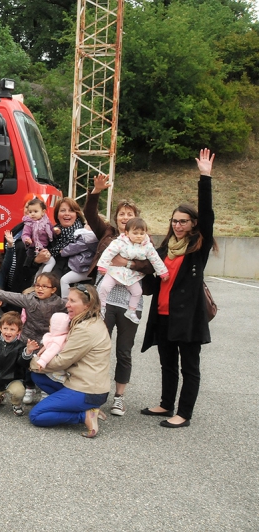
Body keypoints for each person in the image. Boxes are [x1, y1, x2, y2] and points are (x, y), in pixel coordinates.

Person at [140, 148, 216, 429]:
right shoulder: (164, 249)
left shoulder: (197, 248)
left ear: (193, 223)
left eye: (183, 221)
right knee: (167, 363)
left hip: (188, 318)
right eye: (174, 221)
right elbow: (150, 275)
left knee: (190, 367)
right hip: (163, 315)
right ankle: (165, 403)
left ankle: (183, 413)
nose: (178, 225)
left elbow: (207, 216)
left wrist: (204, 177)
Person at [84, 174, 151, 416]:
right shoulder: (108, 233)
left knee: (124, 350)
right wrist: (96, 191)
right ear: (116, 218)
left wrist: (128, 263)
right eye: (121, 214)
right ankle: (94, 394)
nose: (125, 217)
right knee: (98, 347)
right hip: (104, 300)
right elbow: (90, 214)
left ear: (137, 219)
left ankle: (119, 397)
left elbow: (151, 266)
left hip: (130, 303)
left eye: (129, 213)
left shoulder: (146, 241)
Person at [29, 285, 112, 438]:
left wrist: (34, 362)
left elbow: (62, 362)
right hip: (85, 384)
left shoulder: (85, 329)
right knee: (38, 376)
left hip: (87, 391)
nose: (67, 304)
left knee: (36, 415)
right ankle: (83, 408)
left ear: (87, 305)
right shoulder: (89, 320)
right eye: (68, 299)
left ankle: (84, 415)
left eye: (73, 301)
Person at [0, 272, 66, 404]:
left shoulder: (59, 303)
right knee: (27, 363)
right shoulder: (29, 298)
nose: (40, 288)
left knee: (46, 364)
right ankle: (29, 387)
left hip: (47, 339)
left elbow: (73, 307)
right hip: (28, 336)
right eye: (37, 285)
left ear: (53, 289)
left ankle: (45, 390)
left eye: (45, 286)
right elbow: (12, 296)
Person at [97, 218, 168, 323]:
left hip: (130, 276)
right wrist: (103, 265)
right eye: (135, 233)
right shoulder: (119, 242)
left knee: (138, 292)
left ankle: (131, 310)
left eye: (142, 233)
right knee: (104, 287)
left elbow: (156, 260)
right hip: (115, 272)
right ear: (127, 233)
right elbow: (109, 252)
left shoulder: (147, 246)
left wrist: (163, 272)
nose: (139, 236)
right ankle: (101, 307)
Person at [58, 224, 98, 298]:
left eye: (88, 224)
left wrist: (63, 252)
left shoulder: (87, 237)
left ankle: (65, 300)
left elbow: (74, 248)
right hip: (91, 268)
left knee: (64, 280)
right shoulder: (98, 237)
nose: (85, 225)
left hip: (84, 268)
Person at [35, 312, 72, 385]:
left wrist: (42, 361)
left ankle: (61, 380)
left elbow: (50, 351)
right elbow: (48, 345)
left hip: (57, 368)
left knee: (48, 374)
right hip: (59, 362)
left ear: (57, 327)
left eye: (51, 325)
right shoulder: (62, 336)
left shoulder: (57, 341)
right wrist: (42, 349)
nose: (49, 327)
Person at [21, 197, 55, 265]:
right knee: (50, 262)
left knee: (48, 262)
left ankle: (40, 275)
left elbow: (52, 232)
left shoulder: (47, 222)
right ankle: (40, 274)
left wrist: (56, 232)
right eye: (30, 212)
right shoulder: (29, 223)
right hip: (33, 249)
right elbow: (25, 234)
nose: (32, 214)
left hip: (45, 247)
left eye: (35, 211)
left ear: (43, 212)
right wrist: (27, 240)